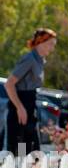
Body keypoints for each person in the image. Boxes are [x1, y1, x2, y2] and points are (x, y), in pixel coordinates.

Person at [4, 28, 57, 158]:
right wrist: (19, 107)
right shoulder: (29, 59)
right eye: (50, 44)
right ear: (41, 42)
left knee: (33, 149)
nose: (52, 49)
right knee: (19, 149)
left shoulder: (40, 60)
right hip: (20, 108)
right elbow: (9, 84)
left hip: (30, 106)